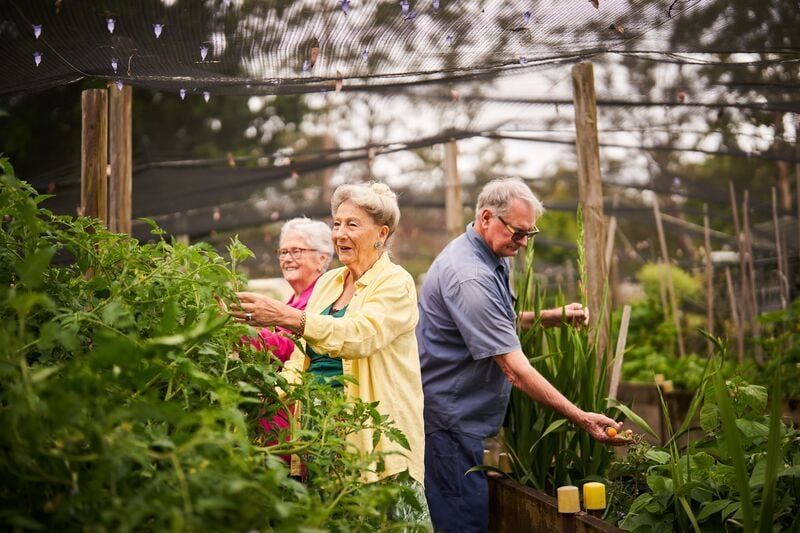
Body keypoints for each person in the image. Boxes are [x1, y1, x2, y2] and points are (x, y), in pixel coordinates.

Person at [417, 177, 626, 532]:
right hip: (451, 423)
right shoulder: (469, 275)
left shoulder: (494, 253)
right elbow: (514, 370)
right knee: (461, 524)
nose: (524, 242)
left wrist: (549, 317)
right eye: (518, 232)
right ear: (486, 218)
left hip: (465, 417)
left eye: (530, 234)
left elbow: (493, 320)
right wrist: (581, 418)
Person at [230, 182, 429, 523]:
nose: (339, 234)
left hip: (372, 442)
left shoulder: (396, 282)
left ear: (381, 233)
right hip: (319, 439)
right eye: (337, 224)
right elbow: (300, 359)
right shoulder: (329, 283)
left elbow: (360, 335)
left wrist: (287, 316)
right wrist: (267, 397)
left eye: (352, 224)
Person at [243, 217, 333, 440]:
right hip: (274, 419)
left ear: (322, 258)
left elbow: (296, 349)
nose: (287, 259)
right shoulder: (292, 301)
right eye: (283, 252)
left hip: (294, 423)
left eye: (296, 251)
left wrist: (244, 333)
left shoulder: (321, 300)